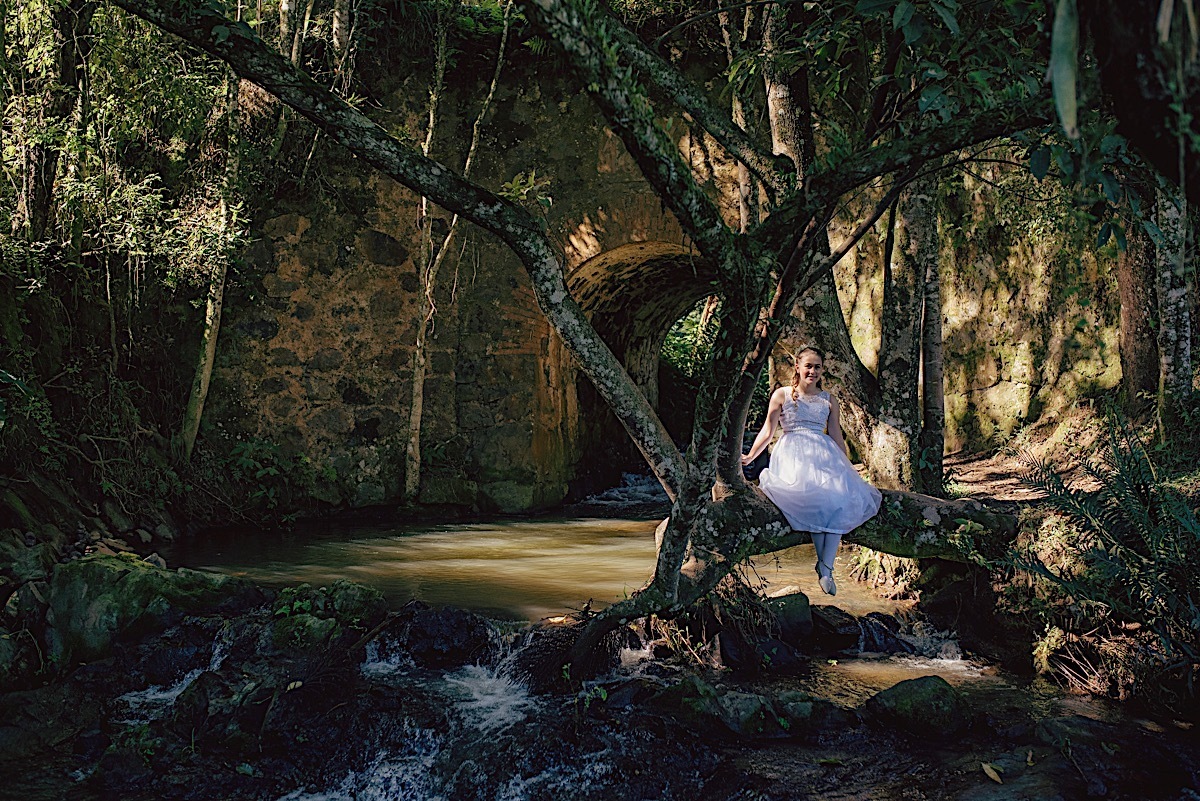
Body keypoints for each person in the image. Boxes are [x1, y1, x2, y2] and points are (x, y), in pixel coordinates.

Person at [741, 347, 882, 596]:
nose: (813, 371)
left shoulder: (829, 399)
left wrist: (848, 468)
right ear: (797, 366)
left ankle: (825, 568)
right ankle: (825, 568)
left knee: (838, 500)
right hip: (793, 455)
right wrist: (751, 455)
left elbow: (836, 435)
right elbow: (768, 430)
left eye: (817, 367)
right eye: (808, 366)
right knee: (815, 502)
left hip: (824, 455)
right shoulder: (782, 394)